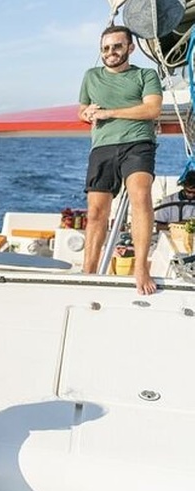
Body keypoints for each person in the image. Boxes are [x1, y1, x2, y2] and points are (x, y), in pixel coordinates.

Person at [79, 25, 163, 295]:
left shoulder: (145, 75)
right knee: (95, 214)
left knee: (140, 196)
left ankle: (141, 267)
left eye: (116, 46)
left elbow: (152, 109)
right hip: (103, 146)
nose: (110, 52)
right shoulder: (91, 76)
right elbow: (82, 110)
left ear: (130, 48)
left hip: (137, 143)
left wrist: (109, 113)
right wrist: (88, 113)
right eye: (105, 48)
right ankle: (87, 272)